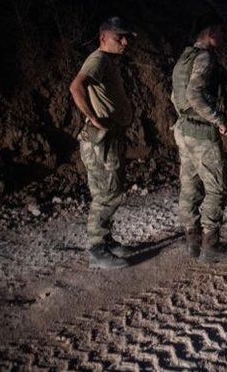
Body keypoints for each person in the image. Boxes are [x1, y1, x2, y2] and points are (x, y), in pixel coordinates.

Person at [170, 12, 227, 263]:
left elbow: (175, 96)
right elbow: (193, 94)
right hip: (200, 131)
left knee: (190, 185)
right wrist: (218, 119)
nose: (223, 37)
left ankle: (193, 240)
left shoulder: (184, 57)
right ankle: (211, 244)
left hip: (183, 129)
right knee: (218, 187)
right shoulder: (205, 58)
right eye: (221, 32)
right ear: (210, 33)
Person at [69, 16, 136, 269]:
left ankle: (106, 240)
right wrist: (93, 118)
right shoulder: (97, 59)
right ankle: (97, 248)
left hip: (111, 138)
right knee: (107, 194)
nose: (125, 41)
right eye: (119, 37)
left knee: (111, 191)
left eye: (126, 36)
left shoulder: (108, 60)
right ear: (103, 38)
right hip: (101, 141)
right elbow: (76, 86)